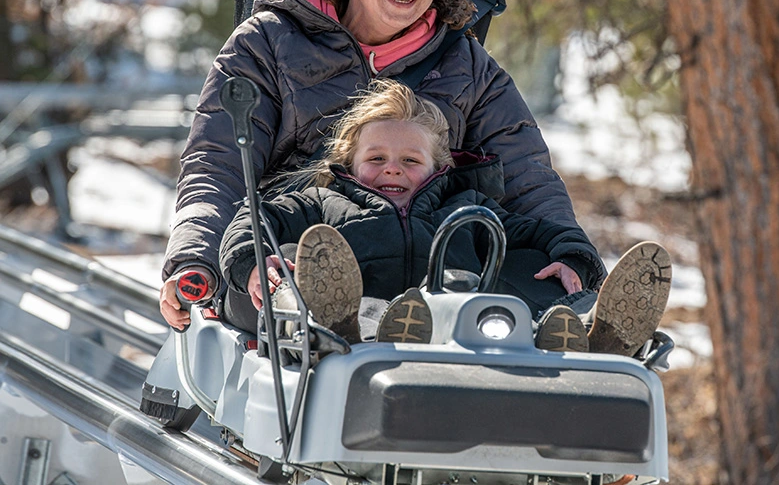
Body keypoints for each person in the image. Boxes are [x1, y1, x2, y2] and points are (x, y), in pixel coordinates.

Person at [159, 0, 606, 331]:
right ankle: (342, 317)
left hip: (438, 270)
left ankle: (579, 325)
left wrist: (573, 254)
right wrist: (196, 256)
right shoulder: (270, 42)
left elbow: (528, 179)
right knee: (287, 271)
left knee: (529, 273)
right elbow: (218, 165)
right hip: (300, 255)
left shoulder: (466, 65)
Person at [218, 79, 673, 356]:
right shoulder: (324, 203)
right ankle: (342, 327)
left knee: (520, 278)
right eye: (376, 157)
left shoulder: (466, 210)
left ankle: (598, 342)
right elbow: (255, 217)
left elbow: (536, 229)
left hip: (464, 331)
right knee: (308, 254)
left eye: (409, 161)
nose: (392, 168)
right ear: (348, 163)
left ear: (438, 170)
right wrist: (252, 262)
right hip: (354, 331)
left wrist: (572, 258)